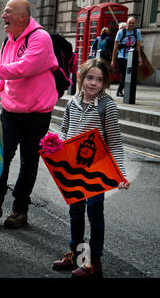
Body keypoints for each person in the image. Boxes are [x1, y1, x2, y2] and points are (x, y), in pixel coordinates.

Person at [0, 0, 59, 229]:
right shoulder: (8, 40)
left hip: (37, 113)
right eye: (3, 11)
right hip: (11, 110)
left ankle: (20, 211)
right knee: (1, 158)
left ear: (24, 15)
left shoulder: (40, 38)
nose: (3, 16)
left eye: (8, 12)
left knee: (29, 162)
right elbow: (6, 71)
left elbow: (25, 67)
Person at [52, 58, 130, 278]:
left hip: (97, 169)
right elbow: (65, 131)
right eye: (89, 78)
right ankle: (77, 256)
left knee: (95, 214)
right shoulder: (72, 102)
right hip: (74, 168)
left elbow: (114, 142)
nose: (93, 83)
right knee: (75, 213)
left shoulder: (108, 106)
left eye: (99, 79)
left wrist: (120, 173)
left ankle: (94, 262)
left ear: (105, 83)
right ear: (81, 78)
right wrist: (56, 146)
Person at [111, 17, 142, 97]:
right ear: (127, 23)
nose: (131, 24)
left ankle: (126, 92)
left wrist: (139, 58)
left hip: (132, 57)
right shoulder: (121, 32)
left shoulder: (137, 32)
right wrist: (113, 60)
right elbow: (115, 47)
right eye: (130, 23)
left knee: (131, 76)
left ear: (135, 24)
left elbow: (138, 46)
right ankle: (119, 91)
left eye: (133, 23)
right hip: (122, 57)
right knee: (124, 75)